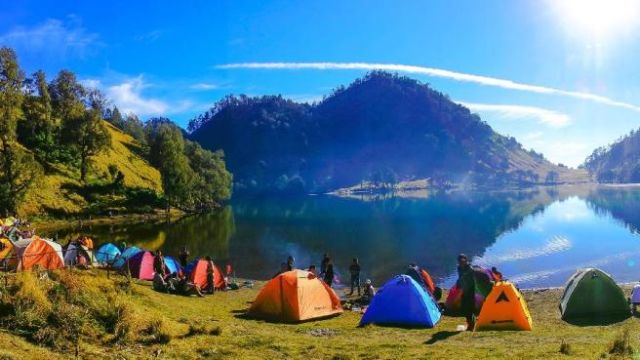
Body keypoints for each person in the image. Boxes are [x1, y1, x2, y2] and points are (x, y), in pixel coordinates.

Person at [457, 254, 476, 331]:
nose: (461, 262)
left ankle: (471, 325)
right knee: (465, 308)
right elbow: (460, 277)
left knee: (469, 308)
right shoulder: (459, 268)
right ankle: (470, 323)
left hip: (470, 290)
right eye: (460, 261)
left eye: (463, 260)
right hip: (464, 290)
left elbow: (471, 280)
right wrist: (458, 284)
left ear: (466, 260)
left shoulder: (470, 268)